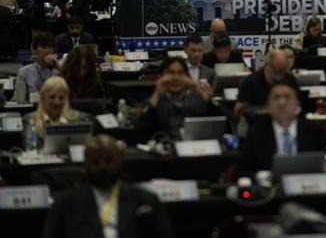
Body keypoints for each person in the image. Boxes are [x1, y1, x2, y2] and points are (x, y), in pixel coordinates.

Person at [42, 134, 174, 238]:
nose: (102, 167)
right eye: (95, 162)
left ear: (120, 159)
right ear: (85, 164)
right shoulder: (64, 205)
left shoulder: (147, 201)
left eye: (108, 160)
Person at [242, 82, 326, 171]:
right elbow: (244, 171)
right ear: (268, 106)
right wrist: (261, 176)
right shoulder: (256, 133)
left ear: (297, 104)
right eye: (276, 97)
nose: (282, 102)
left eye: (287, 97)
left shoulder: (316, 131)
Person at [135, 57, 216, 140]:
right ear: (161, 77)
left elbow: (221, 125)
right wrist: (157, 93)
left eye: (180, 73)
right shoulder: (153, 102)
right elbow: (139, 132)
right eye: (170, 73)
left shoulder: (196, 101)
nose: (176, 78)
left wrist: (203, 96)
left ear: (187, 77)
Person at [22, 76, 90, 146]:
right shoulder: (31, 120)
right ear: (43, 98)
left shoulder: (78, 118)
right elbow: (30, 147)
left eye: (61, 98)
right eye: (52, 97)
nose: (57, 102)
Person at [235, 49, 300, 114]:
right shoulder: (250, 82)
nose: (278, 76)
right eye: (275, 71)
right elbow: (239, 110)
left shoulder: (290, 79)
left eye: (282, 71)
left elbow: (297, 103)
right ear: (267, 65)